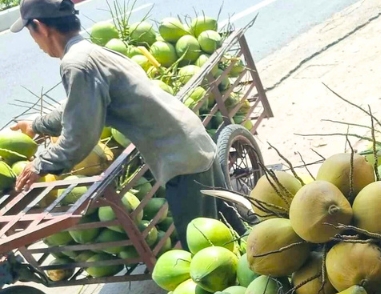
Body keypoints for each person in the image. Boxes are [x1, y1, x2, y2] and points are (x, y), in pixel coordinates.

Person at [10, 0, 239, 247]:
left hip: (181, 158)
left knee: (203, 246)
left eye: (30, 32)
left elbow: (81, 135)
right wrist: (37, 125)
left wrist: (40, 165)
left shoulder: (76, 64)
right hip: (190, 141)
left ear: (40, 27)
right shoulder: (90, 52)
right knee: (231, 227)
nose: (35, 42)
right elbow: (78, 106)